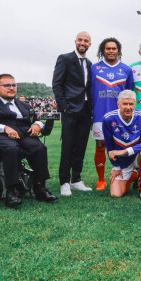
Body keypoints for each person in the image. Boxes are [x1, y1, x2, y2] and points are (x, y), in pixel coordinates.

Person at [0, 74, 57, 207]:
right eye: (7, 85)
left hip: (24, 134)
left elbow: (35, 119)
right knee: (12, 149)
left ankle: (40, 188)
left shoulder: (23, 104)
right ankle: (12, 191)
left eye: (13, 85)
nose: (11, 88)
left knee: (39, 148)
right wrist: (4, 128)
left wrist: (37, 125)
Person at [52, 31, 94, 196]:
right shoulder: (65, 58)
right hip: (70, 109)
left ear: (90, 44)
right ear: (75, 41)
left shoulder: (90, 64)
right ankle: (64, 181)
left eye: (86, 41)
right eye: (80, 40)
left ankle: (76, 179)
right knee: (68, 145)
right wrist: (63, 106)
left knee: (81, 145)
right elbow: (57, 83)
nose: (83, 43)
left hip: (85, 109)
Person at [90, 37, 134, 191]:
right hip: (100, 113)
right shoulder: (94, 68)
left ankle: (126, 175)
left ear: (118, 51)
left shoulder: (126, 70)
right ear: (103, 50)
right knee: (100, 145)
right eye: (108, 48)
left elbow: (129, 92)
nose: (111, 51)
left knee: (124, 144)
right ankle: (101, 180)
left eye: (113, 48)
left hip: (121, 116)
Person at [102, 90, 141, 199]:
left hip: (137, 156)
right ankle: (133, 175)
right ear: (118, 104)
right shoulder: (108, 118)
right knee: (116, 194)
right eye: (125, 104)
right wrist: (116, 166)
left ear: (135, 104)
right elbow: (109, 146)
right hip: (122, 161)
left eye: (131, 104)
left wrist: (125, 151)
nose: (128, 107)